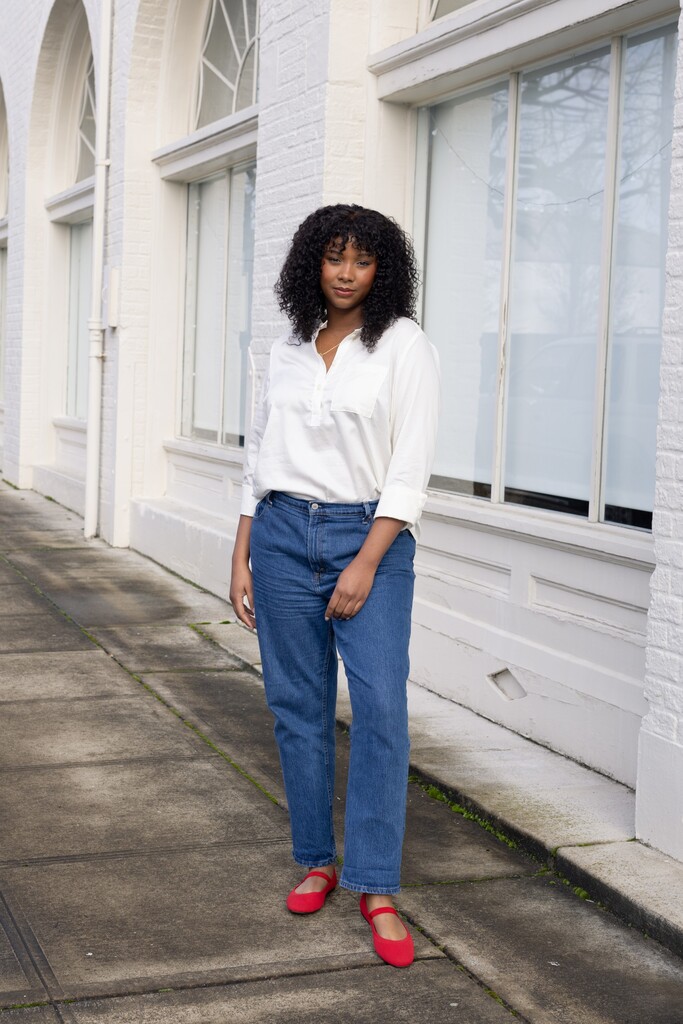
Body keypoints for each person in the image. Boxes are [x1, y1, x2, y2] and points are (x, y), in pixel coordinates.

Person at [230, 204, 440, 968]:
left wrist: (364, 562)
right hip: (281, 535)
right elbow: (261, 453)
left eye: (362, 260)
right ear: (312, 264)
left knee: (380, 706)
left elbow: (409, 467)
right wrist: (242, 549)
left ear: (382, 269)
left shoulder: (403, 345)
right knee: (297, 707)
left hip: (367, 538)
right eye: (333, 257)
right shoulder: (288, 344)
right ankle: (317, 859)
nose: (346, 273)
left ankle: (375, 886)